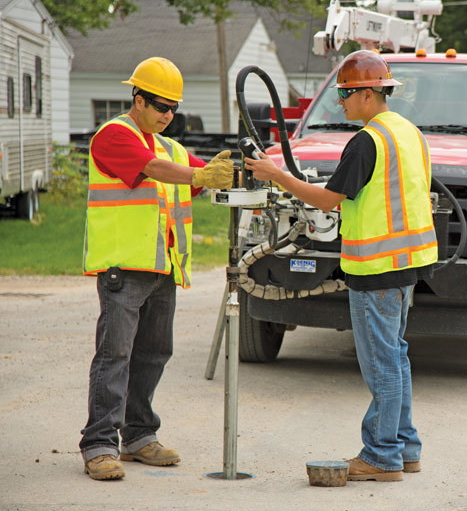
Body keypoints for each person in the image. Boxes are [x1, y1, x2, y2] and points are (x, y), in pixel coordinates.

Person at [245, 50, 437, 482]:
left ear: (369, 94)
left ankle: (382, 456)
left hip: (376, 269)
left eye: (346, 94)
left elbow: (329, 200)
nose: (341, 102)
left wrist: (278, 175)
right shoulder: (409, 133)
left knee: (382, 364)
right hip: (407, 264)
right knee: (396, 358)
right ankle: (405, 448)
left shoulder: (368, 141)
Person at [80, 57, 234, 481]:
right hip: (124, 268)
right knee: (115, 355)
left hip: (162, 268)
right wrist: (200, 175)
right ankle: (99, 444)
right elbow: (154, 170)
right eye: (161, 106)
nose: (168, 115)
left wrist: (233, 173)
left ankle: (139, 436)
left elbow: (196, 175)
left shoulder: (170, 148)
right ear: (139, 99)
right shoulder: (115, 135)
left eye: (174, 108)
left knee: (152, 355)